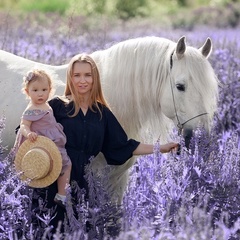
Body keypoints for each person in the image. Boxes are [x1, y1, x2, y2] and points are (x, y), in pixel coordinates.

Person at [48, 53, 178, 199]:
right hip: (53, 182)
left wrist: (161, 148)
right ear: (70, 78)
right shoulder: (57, 106)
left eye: (88, 75)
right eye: (77, 75)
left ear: (94, 78)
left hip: (83, 188)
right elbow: (31, 131)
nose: (82, 80)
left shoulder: (101, 113)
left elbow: (123, 145)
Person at [14, 69, 72, 207]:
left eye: (44, 90)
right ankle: (60, 194)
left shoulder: (46, 104)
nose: (40, 93)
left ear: (50, 90)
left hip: (51, 141)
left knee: (64, 165)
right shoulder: (31, 109)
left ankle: (61, 193)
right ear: (27, 92)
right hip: (41, 143)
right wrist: (28, 133)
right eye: (35, 90)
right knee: (64, 163)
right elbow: (23, 124)